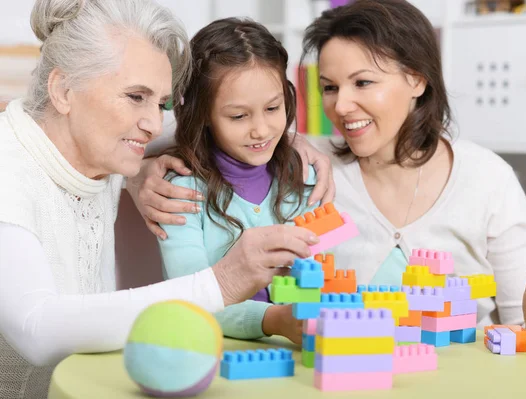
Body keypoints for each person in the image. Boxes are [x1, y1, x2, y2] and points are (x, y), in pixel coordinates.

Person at [132, 0, 526, 331]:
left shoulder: (487, 179)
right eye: (328, 87)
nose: (341, 106)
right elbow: (206, 124)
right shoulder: (303, 162)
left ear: (417, 78)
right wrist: (139, 172)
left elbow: (525, 325)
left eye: (362, 82)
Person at [0, 1, 326, 397]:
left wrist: (290, 139)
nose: (154, 122)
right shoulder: (9, 170)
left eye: (161, 103)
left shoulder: (98, 143)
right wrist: (221, 282)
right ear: (63, 90)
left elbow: (203, 120)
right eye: (136, 96)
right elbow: (38, 330)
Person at [157, 18, 319, 345]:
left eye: (273, 108)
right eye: (238, 116)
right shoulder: (181, 193)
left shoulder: (302, 176)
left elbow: (317, 275)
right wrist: (274, 320)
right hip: (211, 353)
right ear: (203, 113)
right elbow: (191, 297)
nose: (260, 130)